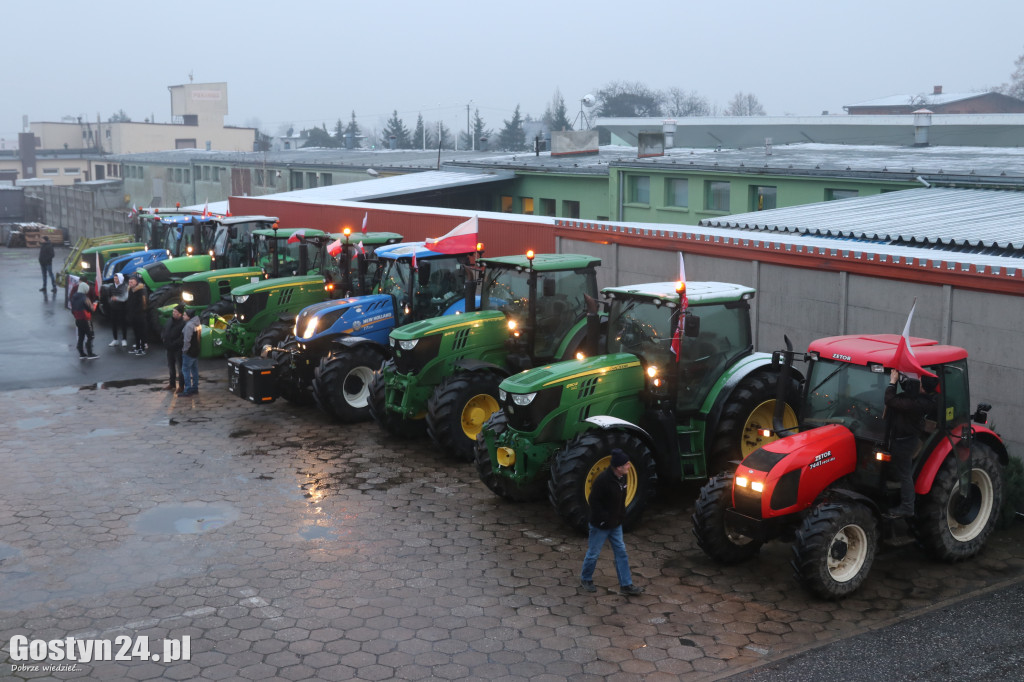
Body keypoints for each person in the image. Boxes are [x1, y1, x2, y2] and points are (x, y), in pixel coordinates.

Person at [579, 448, 644, 596]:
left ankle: (626, 585)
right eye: (626, 464)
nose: (629, 466)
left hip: (616, 524)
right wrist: (603, 520)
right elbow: (593, 501)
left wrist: (621, 516)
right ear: (618, 467)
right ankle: (585, 578)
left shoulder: (623, 477)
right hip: (600, 526)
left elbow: (621, 499)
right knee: (593, 553)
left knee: (621, 553)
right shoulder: (602, 481)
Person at [884, 369, 935, 518]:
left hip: (904, 443)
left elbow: (890, 401)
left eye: (919, 382)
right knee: (900, 471)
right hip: (905, 439)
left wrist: (892, 382)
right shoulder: (921, 399)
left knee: (905, 474)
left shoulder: (918, 403)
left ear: (923, 388)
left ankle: (907, 507)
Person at [70, 281, 98, 359]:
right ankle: (90, 353)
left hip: (78, 319)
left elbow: (72, 309)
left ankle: (81, 353)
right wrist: (95, 305)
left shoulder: (74, 297)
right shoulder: (85, 298)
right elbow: (92, 309)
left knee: (81, 336)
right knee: (90, 335)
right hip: (86, 319)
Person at [162, 304, 187, 392]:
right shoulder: (169, 321)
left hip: (178, 349)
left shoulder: (183, 324)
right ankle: (172, 384)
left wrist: (173, 344)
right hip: (169, 349)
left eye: (175, 312)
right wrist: (164, 338)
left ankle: (181, 386)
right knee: (171, 367)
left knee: (180, 368)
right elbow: (164, 330)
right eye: (173, 311)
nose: (173, 313)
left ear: (180, 314)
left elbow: (182, 338)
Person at [125, 274, 148, 355]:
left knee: (141, 332)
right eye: (129, 282)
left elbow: (143, 304)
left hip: (140, 316)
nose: (130, 283)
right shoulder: (130, 290)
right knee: (136, 332)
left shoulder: (141, 290)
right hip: (133, 316)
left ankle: (142, 348)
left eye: (131, 282)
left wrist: (137, 313)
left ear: (136, 282)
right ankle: (137, 347)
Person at [181, 308, 202, 396]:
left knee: (185, 370)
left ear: (189, 317)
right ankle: (195, 388)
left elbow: (187, 341)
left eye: (185, 315)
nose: (183, 316)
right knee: (194, 370)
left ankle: (187, 390)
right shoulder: (197, 323)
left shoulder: (189, 325)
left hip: (189, 352)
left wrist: (184, 351)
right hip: (196, 350)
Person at [108, 272, 130, 347]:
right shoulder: (111, 287)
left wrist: (116, 298)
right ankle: (115, 339)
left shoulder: (125, 286)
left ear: (120, 279)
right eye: (114, 278)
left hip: (122, 308)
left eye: (116, 279)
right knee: (114, 324)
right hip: (113, 308)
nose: (115, 280)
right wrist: (110, 302)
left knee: (123, 324)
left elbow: (125, 297)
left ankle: (124, 339)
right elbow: (109, 296)